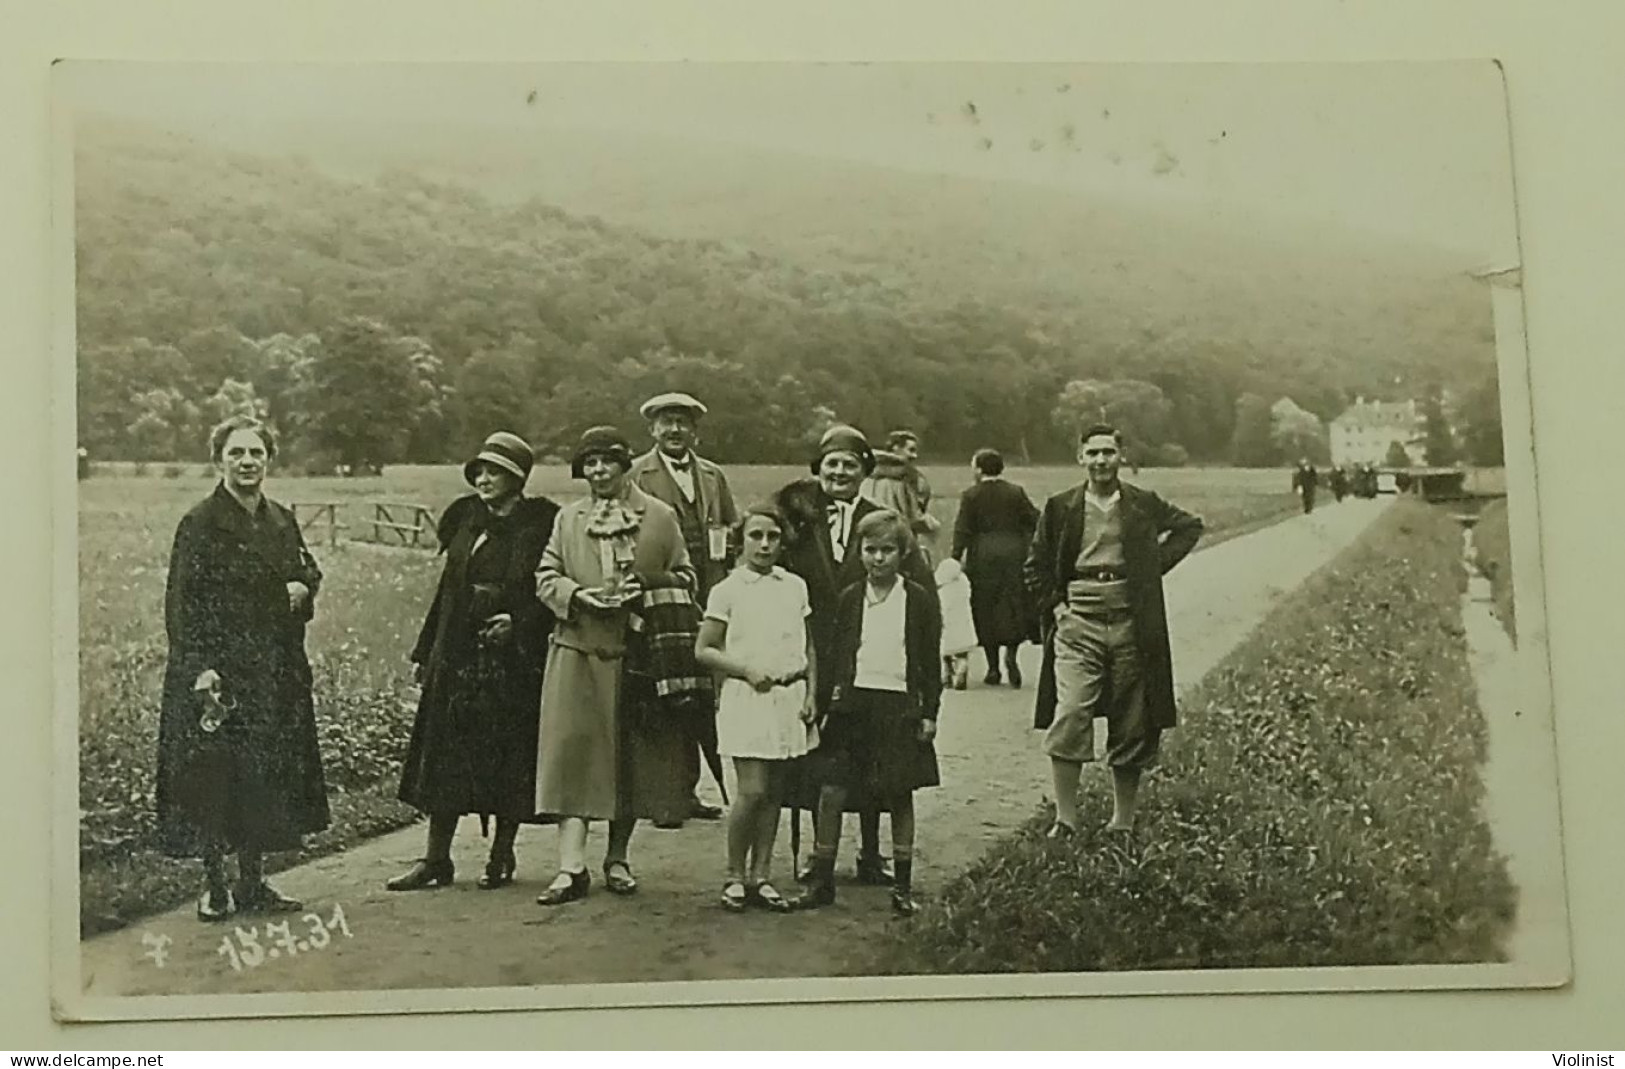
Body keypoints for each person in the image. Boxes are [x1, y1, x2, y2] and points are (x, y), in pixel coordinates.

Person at [155, 415, 328, 922]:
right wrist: (200, 669)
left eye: (256, 453)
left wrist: (304, 588)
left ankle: (253, 883)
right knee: (215, 777)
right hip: (219, 673)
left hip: (272, 670)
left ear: (269, 460)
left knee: (260, 776)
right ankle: (214, 886)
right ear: (219, 460)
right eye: (237, 453)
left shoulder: (280, 518)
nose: (247, 462)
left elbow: (305, 568)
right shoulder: (200, 523)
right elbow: (183, 604)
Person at [387, 432, 560, 893]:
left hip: (513, 660)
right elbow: (448, 591)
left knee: (507, 757)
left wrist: (519, 623)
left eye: (495, 472)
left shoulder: (541, 526)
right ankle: (436, 859)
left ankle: (502, 853)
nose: (484, 479)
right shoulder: (466, 521)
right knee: (445, 757)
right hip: (460, 654)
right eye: (479, 471)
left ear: (517, 478)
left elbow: (549, 590)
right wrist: (428, 652)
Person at [531, 426, 696, 906]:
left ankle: (617, 859)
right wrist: (578, 595)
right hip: (576, 649)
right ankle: (570, 866)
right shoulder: (568, 518)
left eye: (608, 462)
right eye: (590, 463)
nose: (599, 471)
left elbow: (685, 577)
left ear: (626, 465)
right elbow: (546, 575)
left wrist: (643, 587)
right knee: (571, 755)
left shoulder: (660, 517)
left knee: (629, 761)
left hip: (636, 654)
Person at [1024, 423, 1203, 839]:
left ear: (1121, 456)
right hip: (1078, 621)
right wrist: (1058, 609)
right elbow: (1034, 566)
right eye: (1093, 453)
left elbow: (1189, 527)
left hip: (1131, 621)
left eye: (1108, 452)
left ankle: (1122, 821)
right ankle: (1065, 819)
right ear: (1080, 458)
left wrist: (1150, 568)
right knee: (1070, 712)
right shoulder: (1061, 507)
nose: (1101, 460)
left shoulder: (1141, 503)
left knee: (1132, 718)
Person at [775, 424, 934, 885]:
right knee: (817, 756)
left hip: (869, 653)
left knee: (875, 757)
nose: (840, 472)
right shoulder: (797, 517)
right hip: (810, 648)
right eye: (831, 464)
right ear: (818, 470)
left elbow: (917, 583)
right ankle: (817, 855)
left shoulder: (881, 521)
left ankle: (871, 851)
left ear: (864, 471)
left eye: (849, 464)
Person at [790, 509, 942, 915]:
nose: (878, 558)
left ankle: (903, 886)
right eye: (870, 550)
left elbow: (929, 660)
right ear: (859, 551)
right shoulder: (851, 597)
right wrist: (826, 704)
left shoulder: (919, 600)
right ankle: (823, 880)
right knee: (831, 790)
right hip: (852, 704)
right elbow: (839, 653)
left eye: (887, 550)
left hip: (899, 705)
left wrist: (929, 712)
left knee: (898, 792)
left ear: (903, 553)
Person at [694, 505, 817, 914]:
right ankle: (734, 875)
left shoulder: (794, 585)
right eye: (756, 536)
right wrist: (746, 670)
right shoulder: (727, 589)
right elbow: (705, 649)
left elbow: (809, 646)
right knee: (753, 790)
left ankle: (761, 875)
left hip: (789, 698)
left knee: (776, 793)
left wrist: (811, 693)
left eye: (773, 537)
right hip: (748, 698)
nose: (765, 545)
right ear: (740, 540)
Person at [628, 391, 739, 828]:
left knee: (699, 694)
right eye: (666, 422)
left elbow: (730, 526)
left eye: (683, 422)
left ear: (696, 430)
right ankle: (663, 796)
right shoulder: (637, 474)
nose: (675, 430)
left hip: (706, 597)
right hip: (658, 598)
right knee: (663, 695)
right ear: (652, 429)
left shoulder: (713, 475)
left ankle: (688, 790)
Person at [951, 447, 1040, 688]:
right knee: (1011, 604)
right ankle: (1011, 655)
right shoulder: (1015, 492)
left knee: (985, 607)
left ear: (979, 469)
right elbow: (1035, 519)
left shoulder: (971, 495)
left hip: (983, 556)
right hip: (1014, 554)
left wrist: (955, 557)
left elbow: (963, 529)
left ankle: (992, 667)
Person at [860, 429, 939, 561]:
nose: (915, 456)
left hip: (866, 540)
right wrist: (933, 526)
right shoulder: (909, 477)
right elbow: (914, 517)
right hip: (898, 542)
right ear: (896, 448)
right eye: (911, 450)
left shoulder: (863, 472)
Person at [934, 557, 976, 691]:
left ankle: (946, 674)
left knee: (945, 651)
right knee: (962, 653)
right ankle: (962, 667)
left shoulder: (941, 588)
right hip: (964, 625)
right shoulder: (963, 582)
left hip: (947, 626)